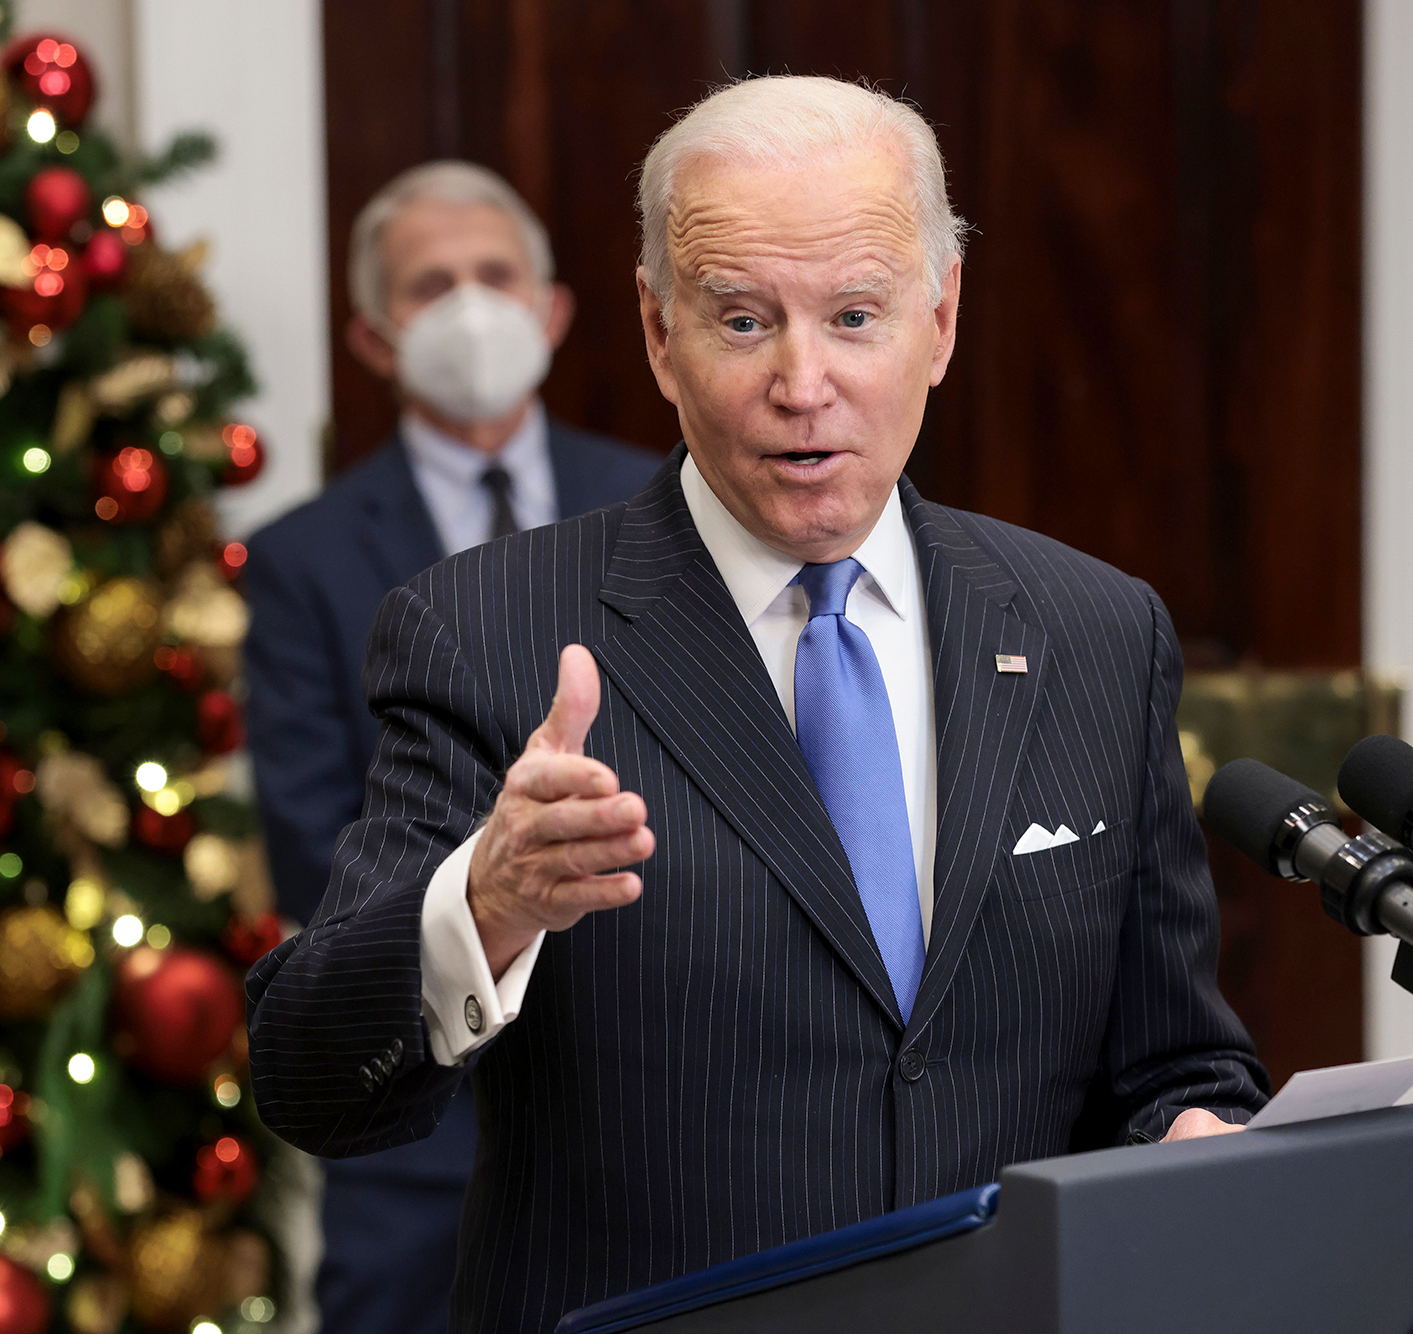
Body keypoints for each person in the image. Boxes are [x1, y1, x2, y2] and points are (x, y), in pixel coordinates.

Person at [246, 77, 1269, 1334]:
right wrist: (486, 903)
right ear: (654, 329)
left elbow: (1173, 1060)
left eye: (854, 314)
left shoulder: (1092, 630)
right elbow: (307, 1075)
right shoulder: (487, 632)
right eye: (742, 320)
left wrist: (1196, 1131)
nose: (804, 380)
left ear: (938, 322)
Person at [242, 161, 657, 1334]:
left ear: (555, 308)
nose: (469, 307)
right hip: (416, 1112)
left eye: (493, 275)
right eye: (431, 285)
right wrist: (493, 912)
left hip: (644, 1084)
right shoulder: (300, 557)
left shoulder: (661, 503)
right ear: (373, 336)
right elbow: (308, 839)